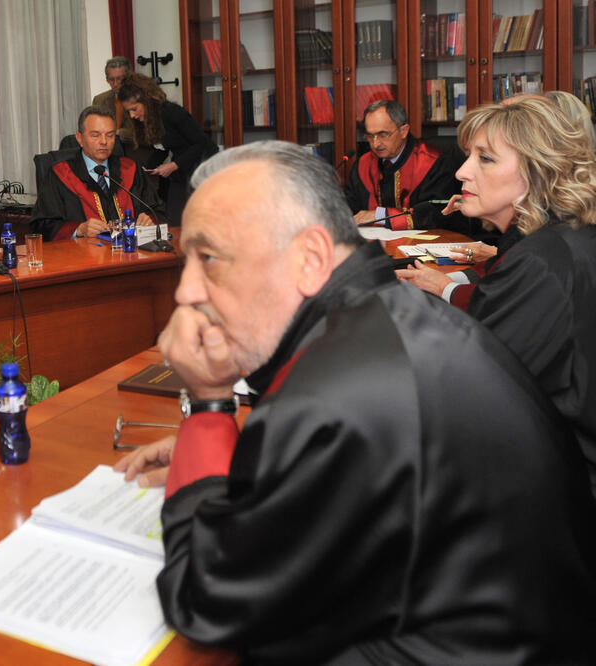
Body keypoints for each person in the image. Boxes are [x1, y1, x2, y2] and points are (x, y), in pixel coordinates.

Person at [114, 141, 596, 663]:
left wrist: (209, 405)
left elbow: (206, 600)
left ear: (311, 258)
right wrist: (248, 457)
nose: (186, 292)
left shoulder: (336, 394)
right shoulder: (388, 312)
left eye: (209, 259)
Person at [397, 98, 596, 497]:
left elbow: (476, 395)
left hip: (554, 484)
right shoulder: (560, 238)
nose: (461, 172)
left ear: (538, 171)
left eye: (485, 159)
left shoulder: (540, 260)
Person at [30, 106, 162, 241]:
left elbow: (158, 210)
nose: (104, 142)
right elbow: (41, 226)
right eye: (95, 135)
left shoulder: (130, 169)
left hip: (131, 250)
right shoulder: (60, 174)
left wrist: (150, 218)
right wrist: (78, 229)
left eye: (110, 135)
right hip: (82, 252)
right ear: (79, 138)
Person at [344, 100, 473, 232]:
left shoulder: (433, 162)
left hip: (426, 242)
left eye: (383, 135)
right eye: (370, 136)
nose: (375, 144)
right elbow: (349, 208)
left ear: (403, 131)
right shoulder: (363, 165)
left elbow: (437, 212)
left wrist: (380, 215)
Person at [118, 72, 218, 224]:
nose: (132, 115)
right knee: (175, 216)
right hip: (183, 169)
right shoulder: (149, 120)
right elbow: (162, 147)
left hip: (204, 168)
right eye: (128, 111)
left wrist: (173, 165)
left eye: (134, 109)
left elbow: (201, 144)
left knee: (197, 218)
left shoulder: (172, 112)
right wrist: (147, 168)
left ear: (146, 100)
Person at [91, 56, 132, 145]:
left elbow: (145, 132)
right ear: (107, 79)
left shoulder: (140, 98)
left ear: (129, 77)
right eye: (111, 79)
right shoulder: (99, 100)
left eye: (119, 79)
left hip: (135, 149)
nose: (115, 83)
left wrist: (119, 133)